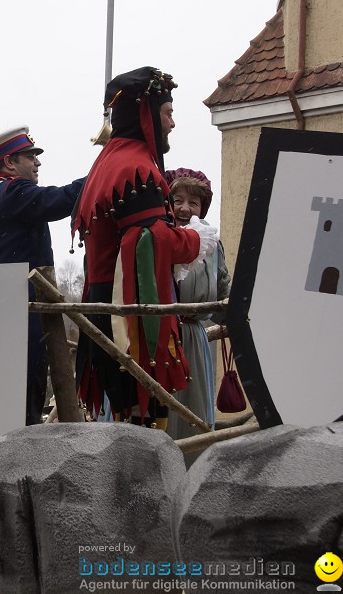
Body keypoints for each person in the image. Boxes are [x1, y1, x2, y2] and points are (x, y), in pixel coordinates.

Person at [72, 67, 218, 428]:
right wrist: (198, 238)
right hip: (129, 322)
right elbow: (150, 243)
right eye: (167, 112)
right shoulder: (137, 168)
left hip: (104, 309)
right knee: (143, 432)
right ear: (145, 113)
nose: (172, 123)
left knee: (126, 427)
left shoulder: (105, 162)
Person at [0, 126, 85, 425]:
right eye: (30, 156)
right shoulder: (13, 191)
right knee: (25, 400)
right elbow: (62, 199)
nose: (38, 163)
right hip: (19, 313)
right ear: (10, 163)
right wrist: (104, 171)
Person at [163, 168, 230, 440]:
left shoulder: (212, 246)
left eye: (193, 202)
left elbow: (224, 291)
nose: (184, 208)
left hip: (193, 339)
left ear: (202, 209)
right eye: (177, 200)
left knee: (194, 416)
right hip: (161, 336)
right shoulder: (159, 239)